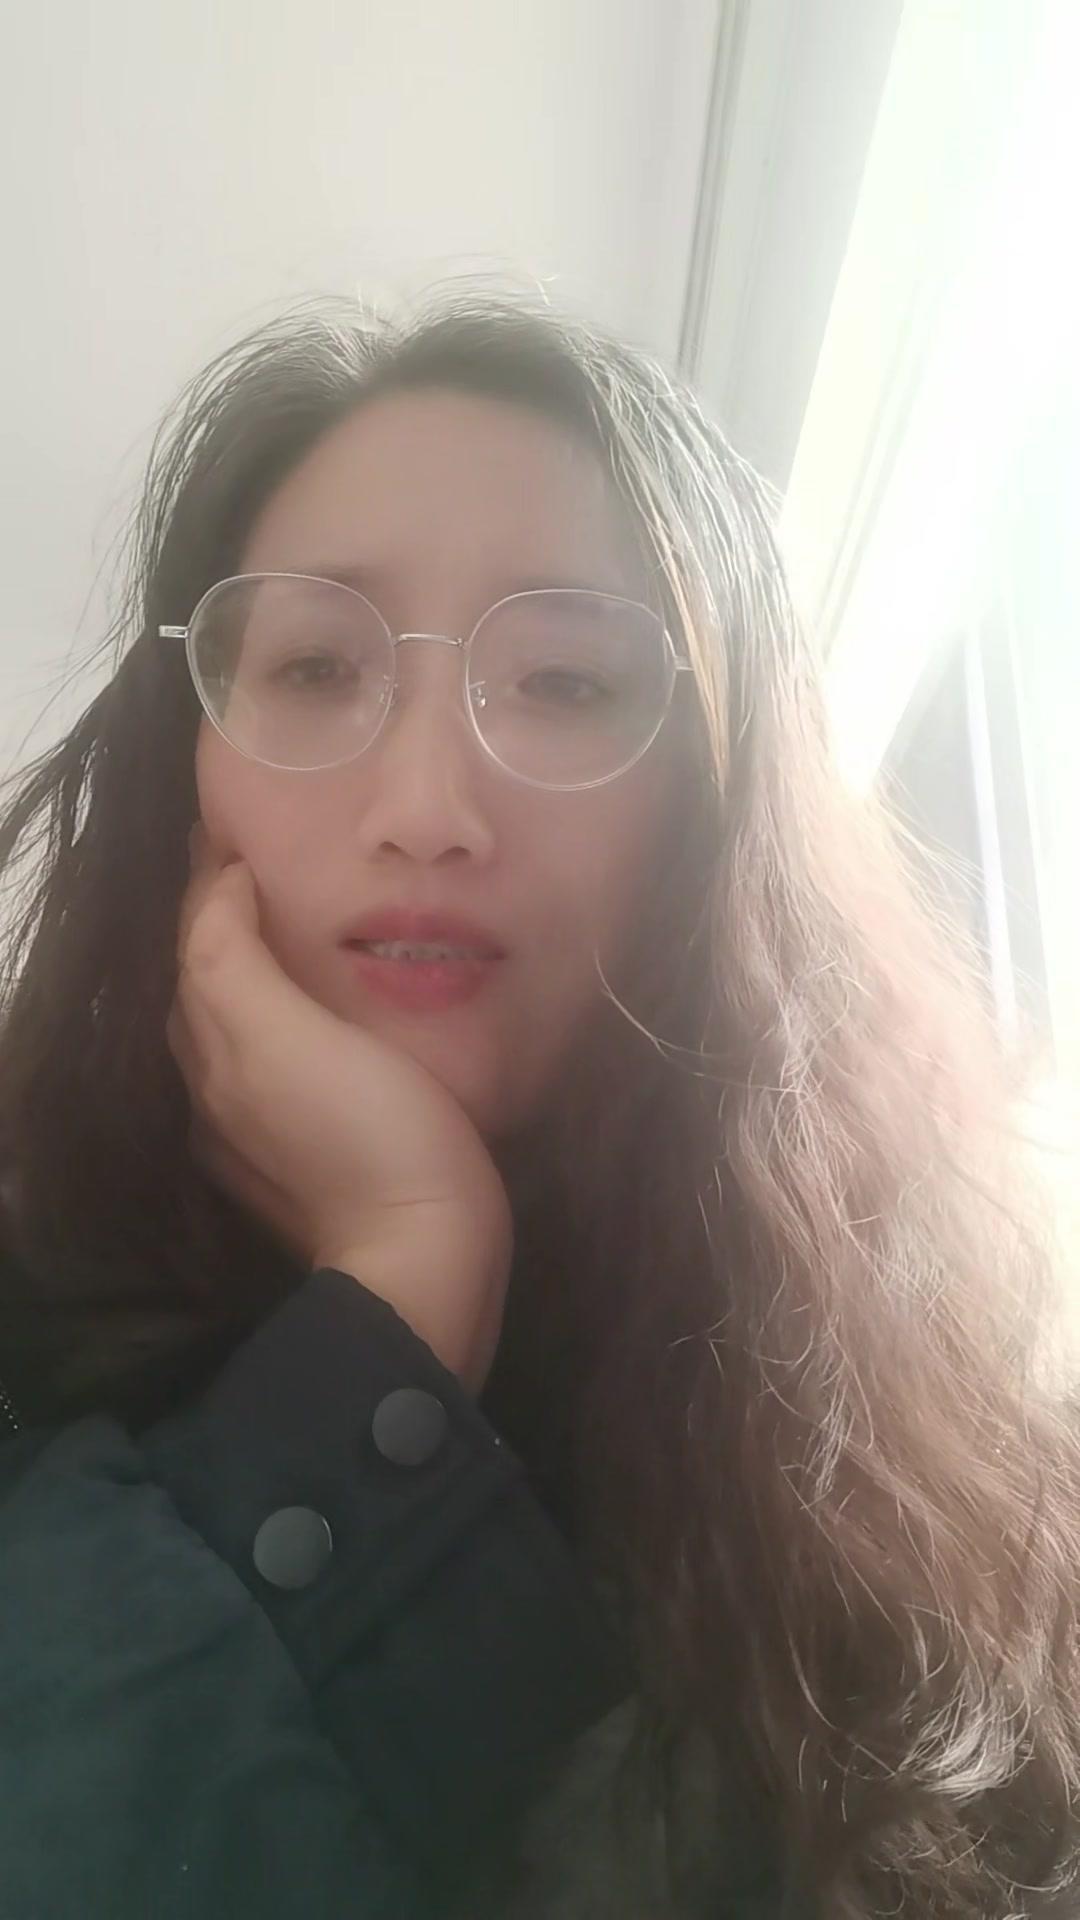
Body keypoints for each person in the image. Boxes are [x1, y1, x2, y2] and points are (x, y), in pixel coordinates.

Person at [0, 285, 1078, 1920]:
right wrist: (401, 1285)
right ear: (185, 761)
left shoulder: (950, 1439)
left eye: (566, 683)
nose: (429, 807)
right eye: (314, 665)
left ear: (714, 803)